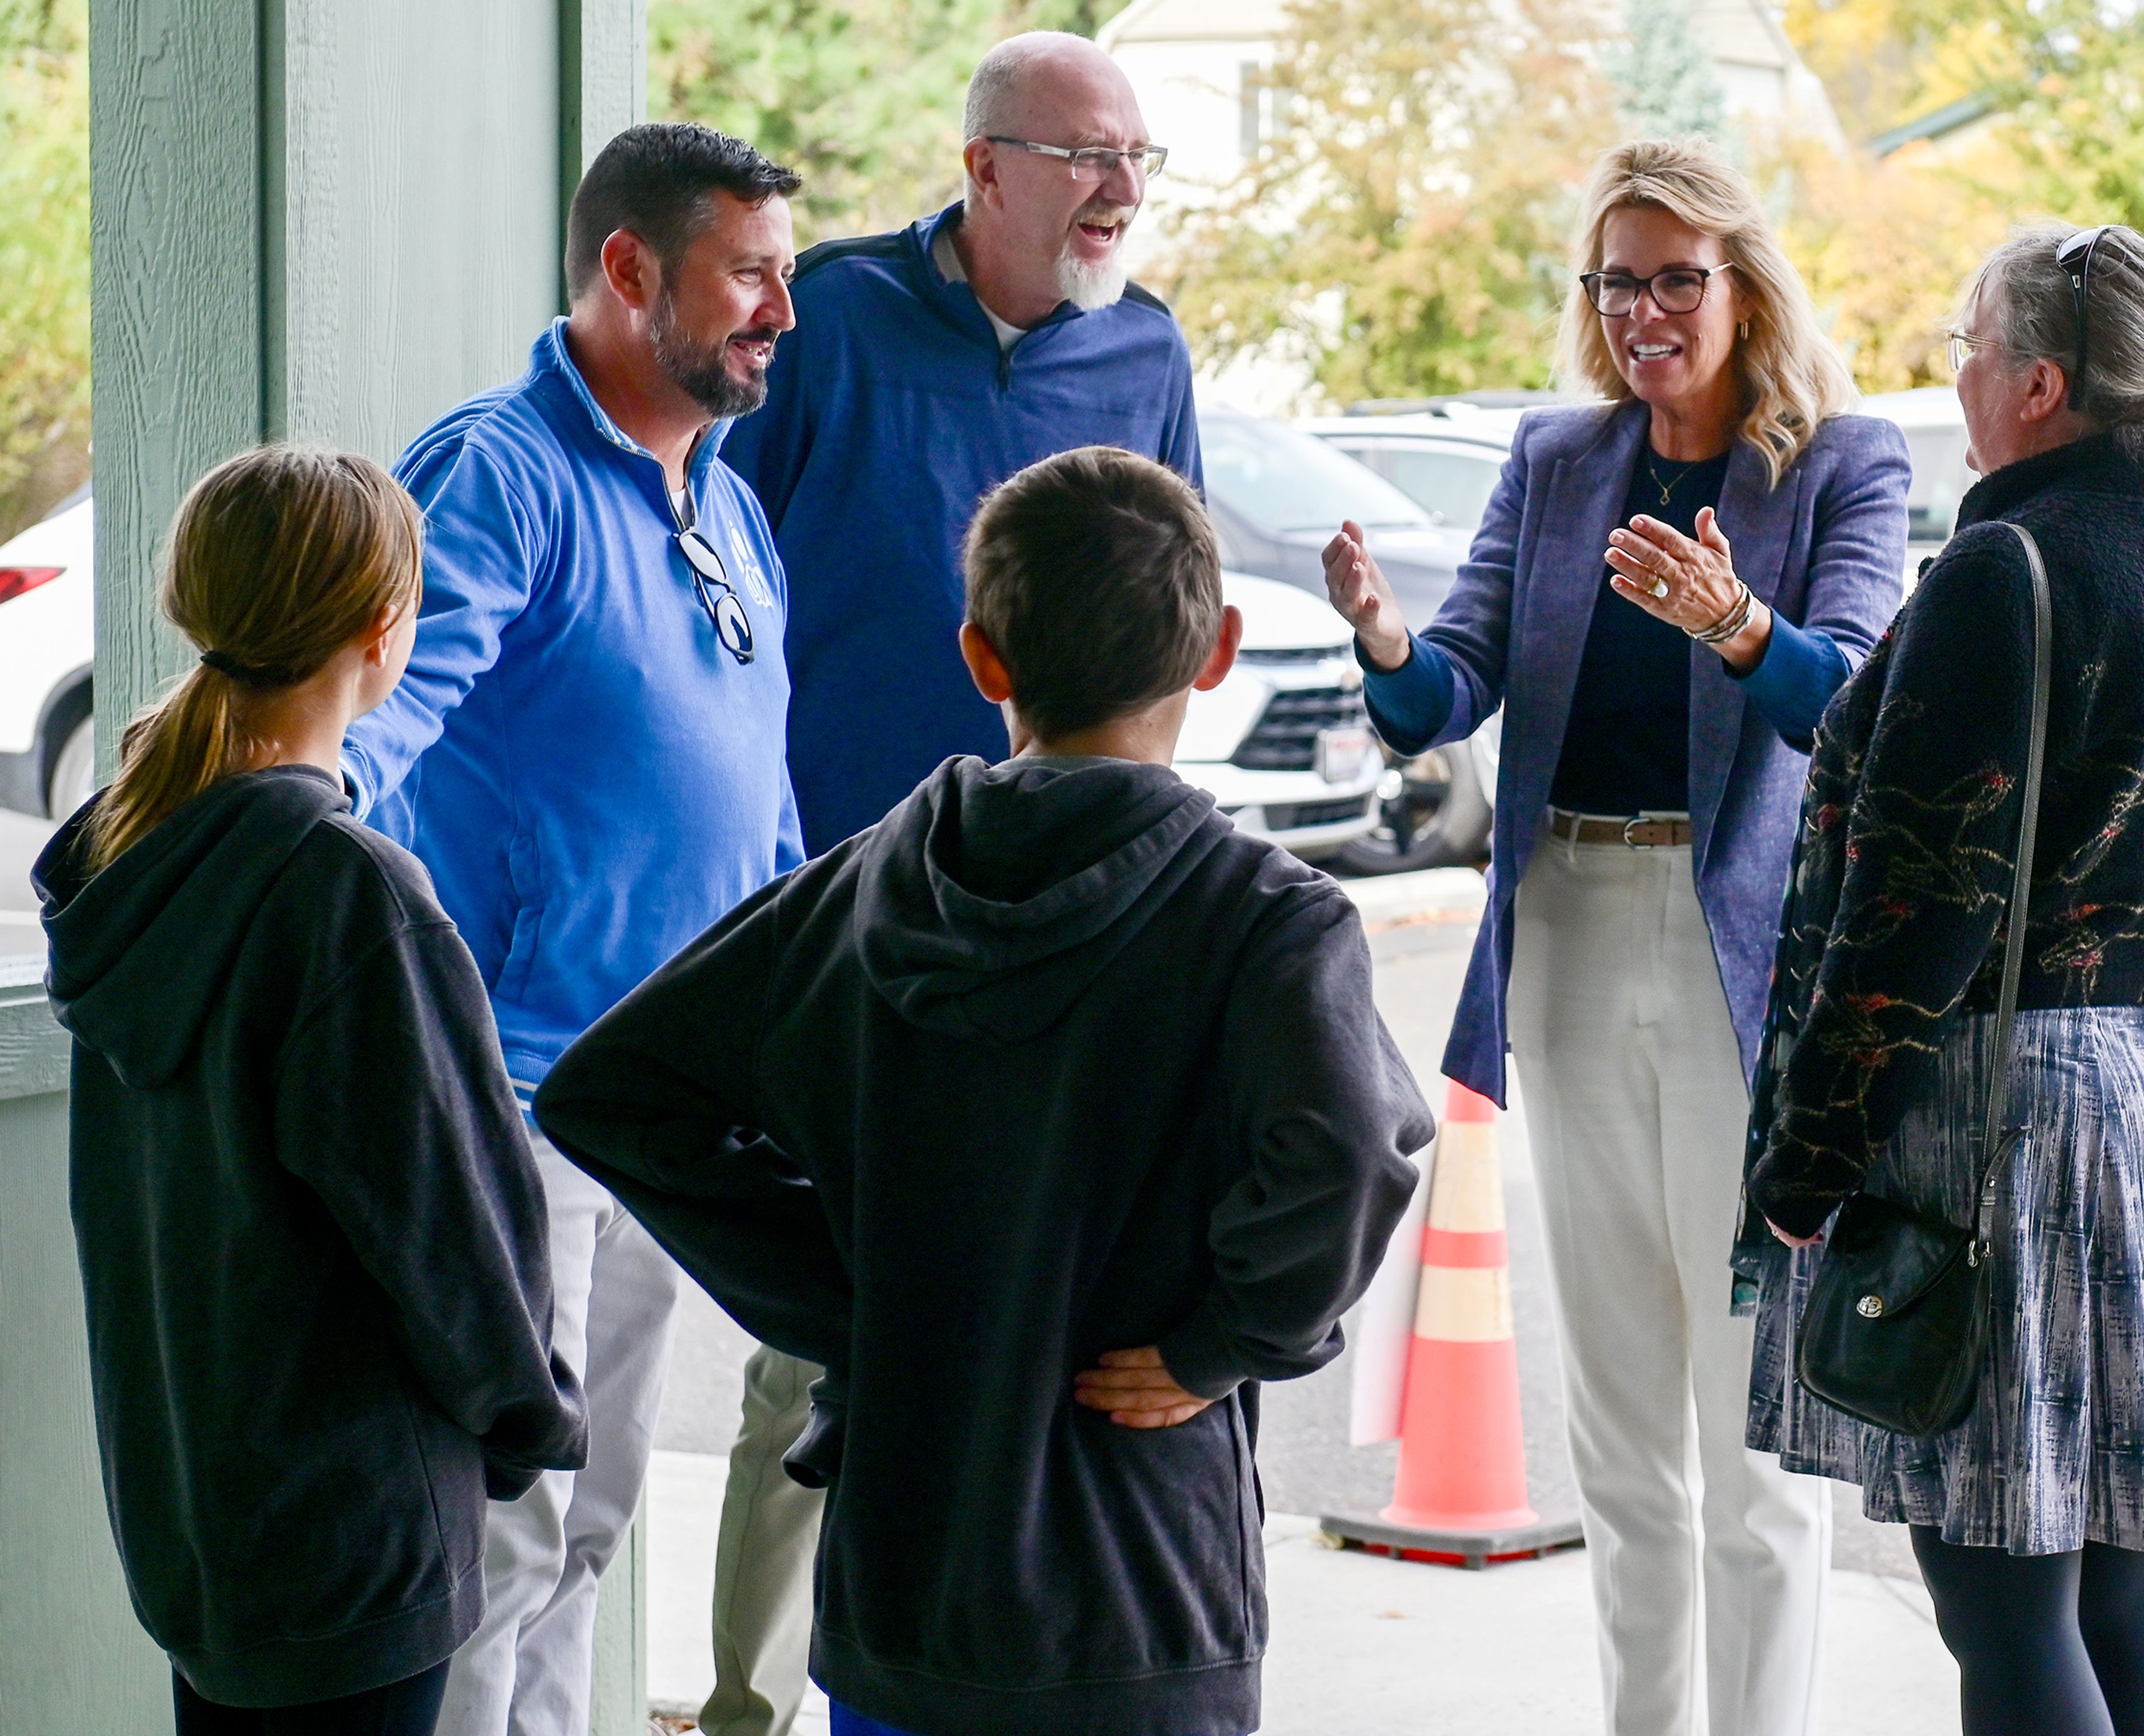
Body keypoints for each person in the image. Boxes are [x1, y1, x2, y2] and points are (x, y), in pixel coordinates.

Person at [533, 446, 1433, 1736]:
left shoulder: (861, 890)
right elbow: (1353, 1151)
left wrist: (853, 1291)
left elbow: (614, 1091)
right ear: (1220, 648)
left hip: (909, 1586)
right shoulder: (1262, 921)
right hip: (1144, 1596)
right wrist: (1222, 1341)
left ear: (981, 659)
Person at [1322, 136, 1909, 1736]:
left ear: (1742, 284)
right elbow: (1452, 684)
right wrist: (1385, 640)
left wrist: (1737, 626)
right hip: (1573, 935)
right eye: (1614, 280)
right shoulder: (1557, 460)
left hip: (1745, 963)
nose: (1641, 309)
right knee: (1624, 1422)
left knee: (1753, 1434)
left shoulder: (1840, 465)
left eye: (1673, 277)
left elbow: (1854, 700)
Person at [1741, 223, 2144, 1736]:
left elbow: (1912, 910)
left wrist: (1808, 1155)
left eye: (1966, 348)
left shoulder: (2005, 573)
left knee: (2000, 1599)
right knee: (2134, 1573)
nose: (1959, 374)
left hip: (2017, 1118)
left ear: (2041, 385)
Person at [709, 35, 1198, 1731]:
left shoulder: (1146, 348)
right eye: (1085, 157)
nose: (1123, 190)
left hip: (1073, 913)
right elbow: (725, 572)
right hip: (846, 901)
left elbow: (1167, 616)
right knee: (820, 1335)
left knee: (1036, 1312)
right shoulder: (828, 320)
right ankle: (749, 1704)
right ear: (983, 167)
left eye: (1138, 157)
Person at [338, 123, 806, 1736]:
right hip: (515, 1107)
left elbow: (761, 806)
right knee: (503, 1532)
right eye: (748, 273)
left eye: (786, 276)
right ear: (628, 269)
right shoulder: (499, 469)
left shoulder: (728, 505)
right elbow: (370, 724)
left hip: (665, 1113)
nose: (779, 313)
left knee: (593, 1529)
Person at [33, 447, 588, 1735]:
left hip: (197, 1529)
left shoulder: (134, 857)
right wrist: (528, 1423)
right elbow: (453, 1230)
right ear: (382, 633)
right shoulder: (345, 894)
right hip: (356, 1550)